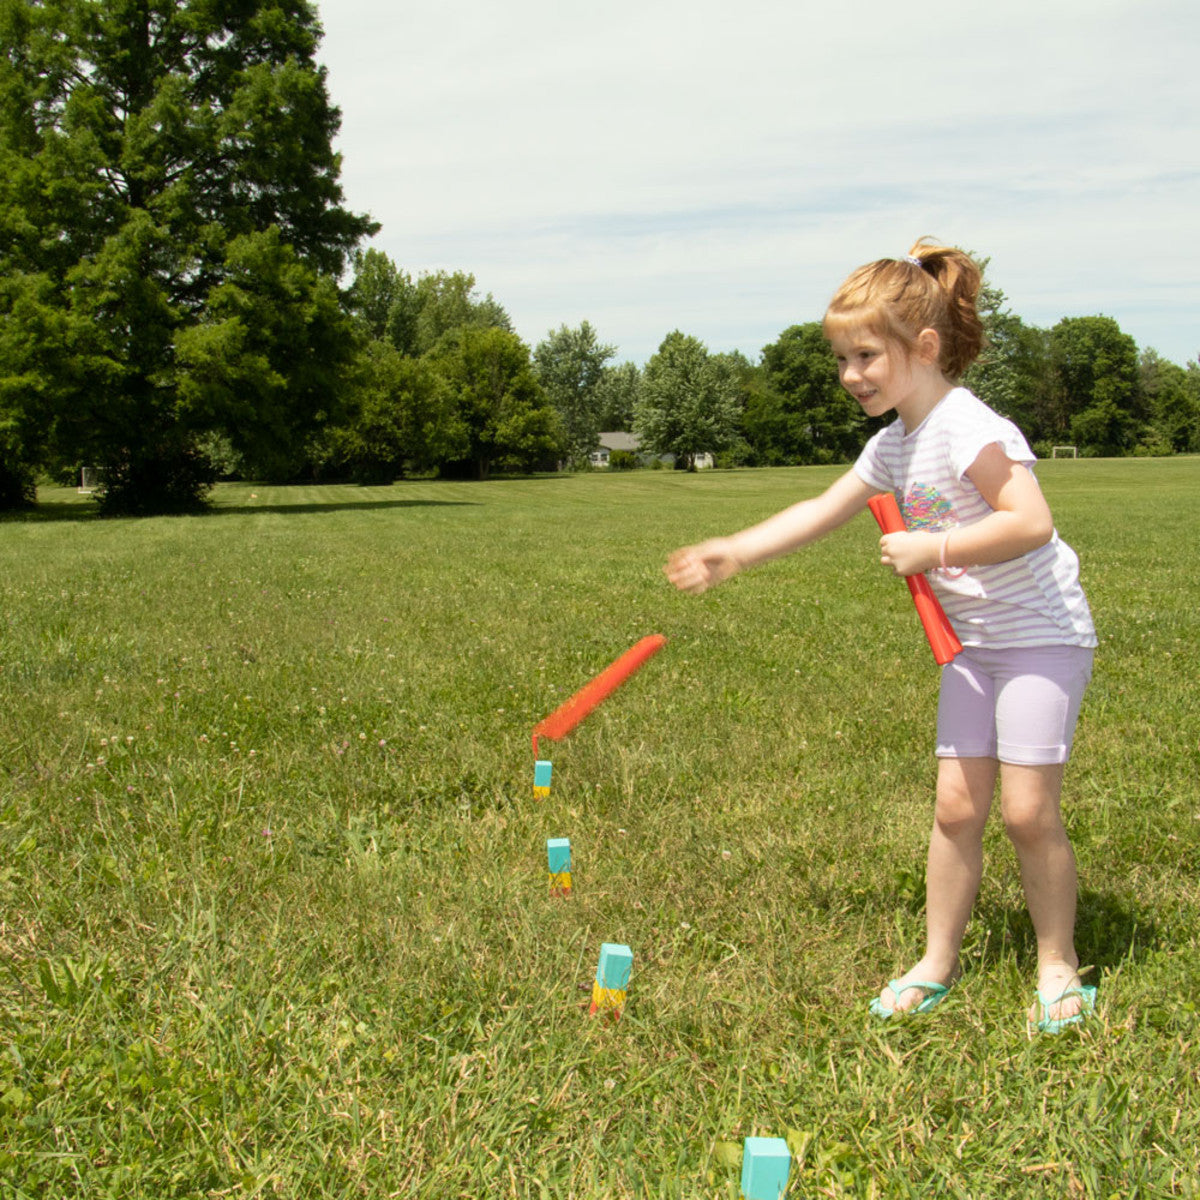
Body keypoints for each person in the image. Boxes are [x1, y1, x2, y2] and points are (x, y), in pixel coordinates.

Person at [665, 240, 1098, 1033]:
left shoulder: (966, 425)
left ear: (922, 348)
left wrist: (934, 550)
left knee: (1028, 813)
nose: (849, 374)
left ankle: (1058, 964)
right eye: (841, 358)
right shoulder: (893, 443)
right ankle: (938, 960)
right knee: (957, 807)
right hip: (971, 649)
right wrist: (735, 551)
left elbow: (1031, 522)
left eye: (865, 354)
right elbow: (820, 510)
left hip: (1041, 638)